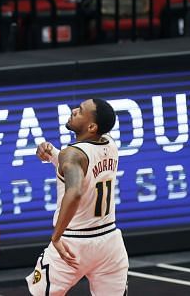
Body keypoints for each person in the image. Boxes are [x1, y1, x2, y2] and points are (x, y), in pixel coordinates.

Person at [26, 98, 128, 295]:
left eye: (80, 111)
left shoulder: (72, 154)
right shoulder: (110, 144)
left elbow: (75, 192)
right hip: (109, 243)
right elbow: (84, 167)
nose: (74, 110)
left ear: (91, 126)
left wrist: (56, 237)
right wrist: (53, 155)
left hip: (74, 242)